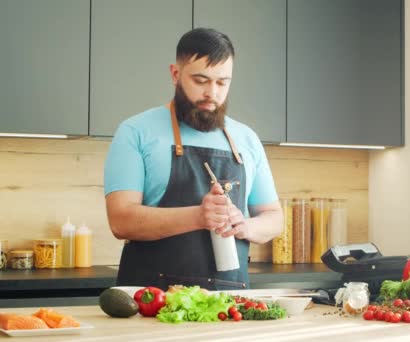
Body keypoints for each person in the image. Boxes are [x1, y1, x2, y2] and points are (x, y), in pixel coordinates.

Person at [103, 28, 282, 290]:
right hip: (151, 305)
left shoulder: (246, 139)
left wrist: (243, 226)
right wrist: (199, 217)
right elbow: (121, 220)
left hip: (229, 306)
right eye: (201, 80)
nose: (212, 93)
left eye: (222, 82)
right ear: (176, 74)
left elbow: (274, 218)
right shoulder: (136, 132)